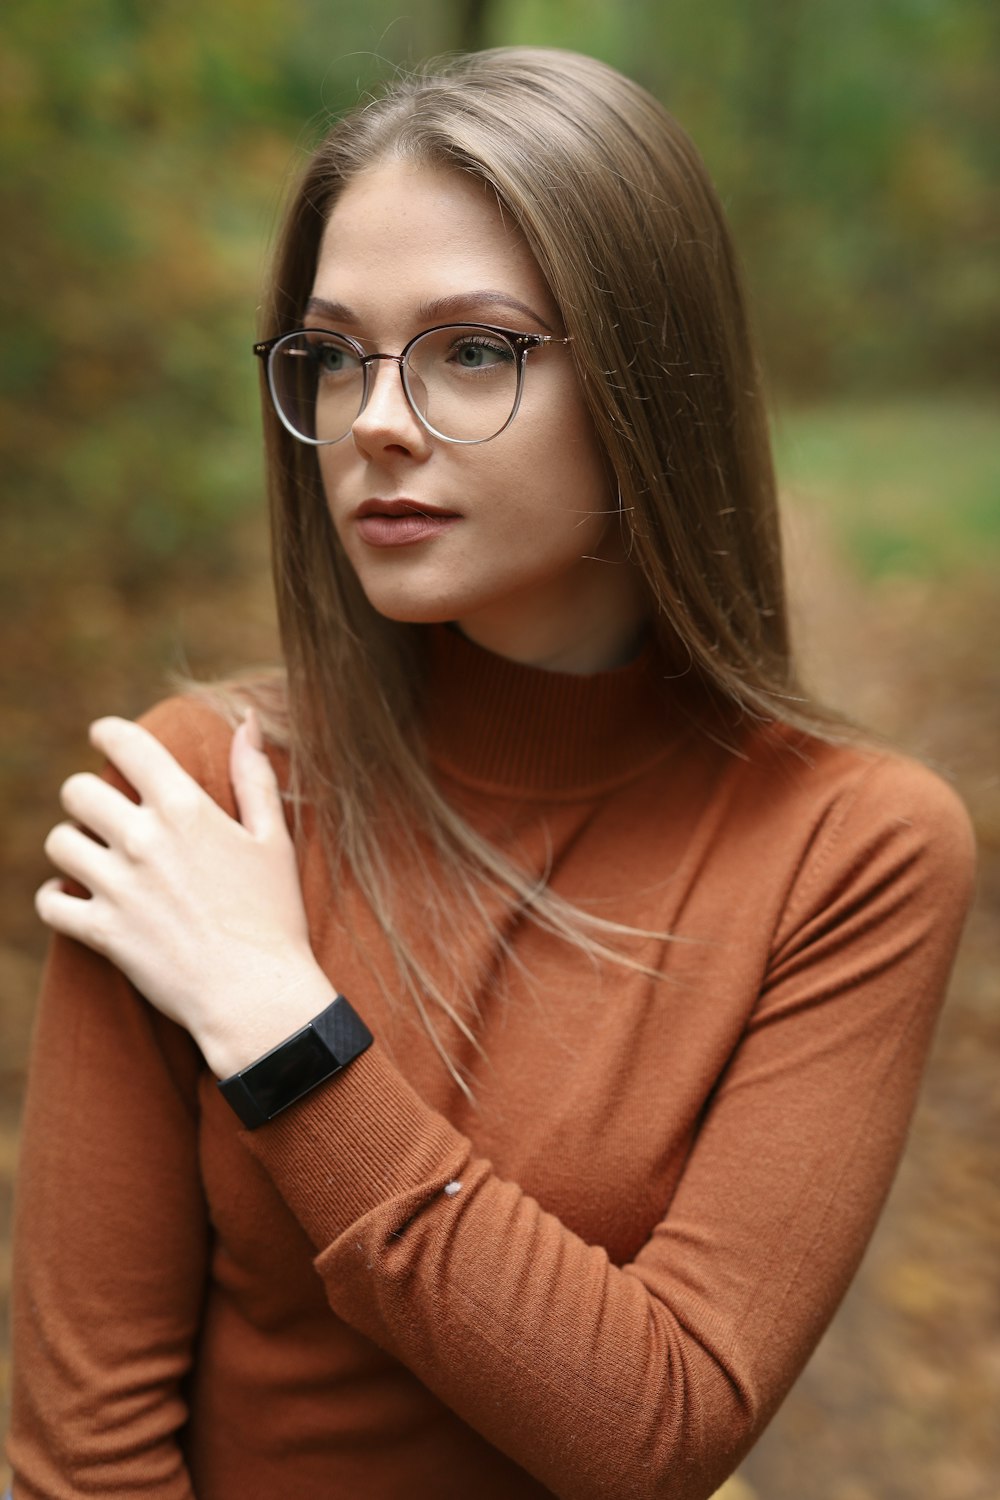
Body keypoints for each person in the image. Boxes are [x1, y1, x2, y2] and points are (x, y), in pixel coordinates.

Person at [6, 46, 974, 1500]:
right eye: (332, 354)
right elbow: (83, 1453)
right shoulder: (202, 797)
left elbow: (659, 1423)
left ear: (650, 381)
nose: (375, 419)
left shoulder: (852, 847)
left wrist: (278, 1022)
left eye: (472, 348)